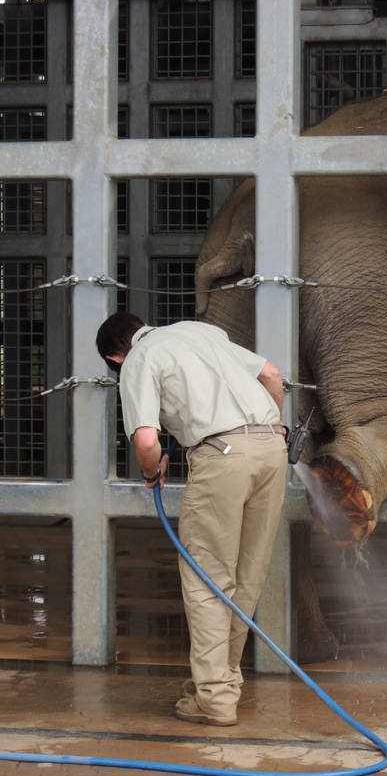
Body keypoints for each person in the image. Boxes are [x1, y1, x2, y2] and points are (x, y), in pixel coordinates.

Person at [96, 311, 288, 726]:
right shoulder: (200, 332)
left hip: (221, 456)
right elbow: (271, 374)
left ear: (115, 358)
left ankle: (215, 698)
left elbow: (147, 439)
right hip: (273, 447)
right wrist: (272, 429)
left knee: (207, 577)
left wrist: (152, 471)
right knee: (248, 573)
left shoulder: (139, 360)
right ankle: (223, 681)